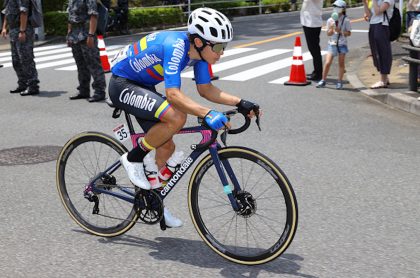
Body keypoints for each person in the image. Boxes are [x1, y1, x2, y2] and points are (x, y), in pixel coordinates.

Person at [108, 7, 260, 228]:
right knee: (177, 117)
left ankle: (153, 199)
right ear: (199, 42)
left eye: (224, 46)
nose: (221, 52)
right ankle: (133, 158)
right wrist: (207, 112)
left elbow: (206, 89)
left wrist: (240, 102)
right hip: (123, 84)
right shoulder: (176, 46)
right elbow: (173, 94)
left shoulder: (200, 56)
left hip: (144, 85)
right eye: (218, 46)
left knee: (166, 147)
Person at [67, 0, 106, 102]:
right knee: (81, 65)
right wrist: (69, 35)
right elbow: (70, 18)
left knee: (93, 64)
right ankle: (83, 90)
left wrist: (91, 35)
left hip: (86, 34)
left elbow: (93, 15)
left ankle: (99, 91)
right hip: (75, 36)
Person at [1, 0, 40, 96]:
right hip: (13, 30)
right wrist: (4, 28)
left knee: (26, 59)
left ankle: (33, 86)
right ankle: (22, 84)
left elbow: (24, 12)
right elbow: (7, 12)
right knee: (16, 61)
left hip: (23, 29)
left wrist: (22, 31)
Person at [316, 0, 351, 90]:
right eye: (335, 7)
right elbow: (328, 34)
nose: (336, 9)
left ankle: (339, 82)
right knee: (327, 62)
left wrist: (341, 31)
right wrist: (331, 28)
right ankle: (323, 80)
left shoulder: (346, 19)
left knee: (341, 63)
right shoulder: (330, 20)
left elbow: (349, 33)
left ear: (343, 9)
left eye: (338, 7)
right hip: (332, 43)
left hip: (342, 44)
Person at [363, 0, 394, 89]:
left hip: (382, 25)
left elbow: (377, 11)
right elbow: (369, 15)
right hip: (373, 25)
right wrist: (364, 3)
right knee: (375, 52)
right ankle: (385, 78)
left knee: (383, 52)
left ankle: (383, 80)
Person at [300, 0, 324, 81]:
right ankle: (317, 71)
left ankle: (318, 73)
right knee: (313, 48)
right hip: (309, 21)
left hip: (312, 22)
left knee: (314, 49)